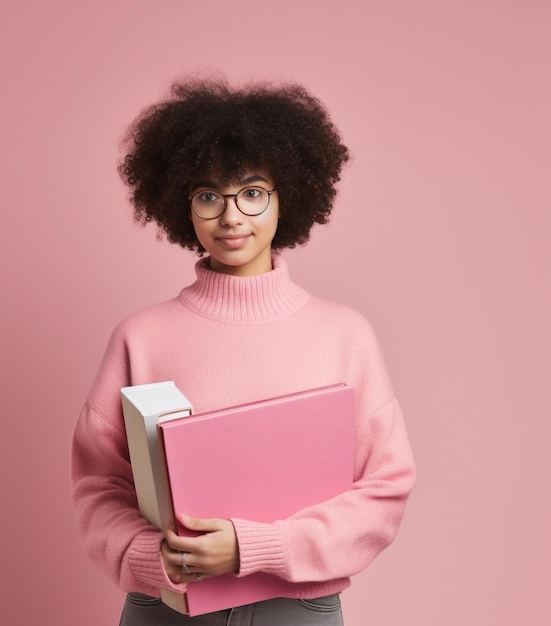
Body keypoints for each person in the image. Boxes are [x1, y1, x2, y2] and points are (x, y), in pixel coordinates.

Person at [71, 78, 416, 625]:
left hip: (297, 608)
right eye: (209, 196)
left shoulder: (343, 334)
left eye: (252, 193)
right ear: (182, 206)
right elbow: (99, 484)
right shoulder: (141, 336)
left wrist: (257, 548)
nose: (231, 217)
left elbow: (385, 488)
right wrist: (148, 555)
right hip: (167, 608)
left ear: (289, 198)